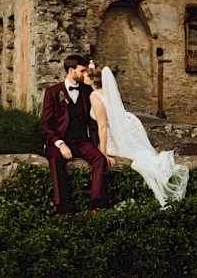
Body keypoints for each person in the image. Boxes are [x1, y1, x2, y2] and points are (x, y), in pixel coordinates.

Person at [91, 65, 188, 207]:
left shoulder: (95, 96)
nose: (83, 77)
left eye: (86, 74)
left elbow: (103, 126)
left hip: (111, 140)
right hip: (117, 136)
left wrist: (103, 153)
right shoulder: (110, 94)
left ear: (92, 80)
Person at [40, 54, 110, 214]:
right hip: (59, 141)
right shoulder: (53, 92)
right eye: (82, 71)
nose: (85, 74)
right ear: (71, 71)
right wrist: (60, 143)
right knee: (55, 160)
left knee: (99, 159)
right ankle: (64, 208)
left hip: (81, 141)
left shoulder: (87, 91)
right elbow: (45, 124)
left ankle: (96, 204)